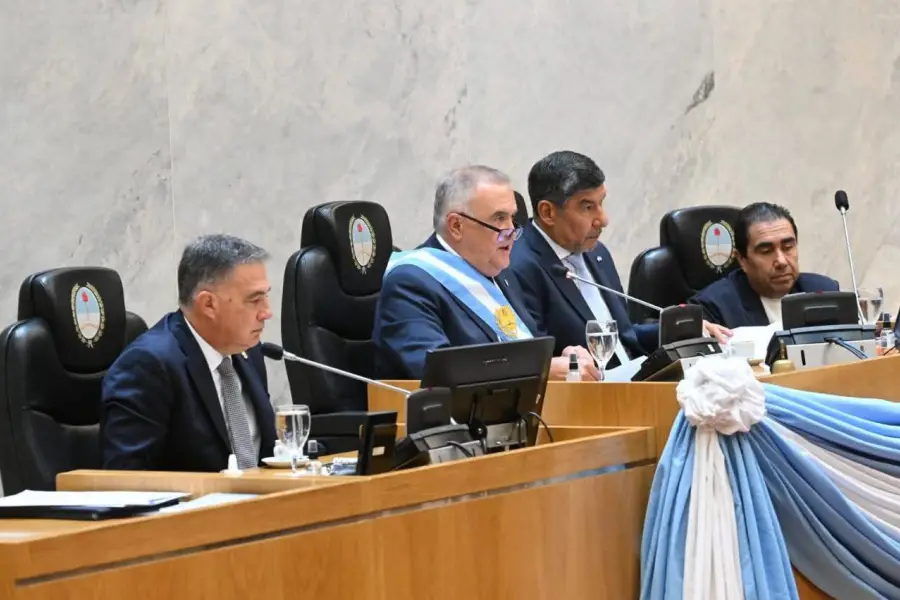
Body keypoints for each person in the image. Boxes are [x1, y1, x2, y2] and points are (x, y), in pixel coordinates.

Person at [373, 165, 599, 381]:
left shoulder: (500, 272)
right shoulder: (410, 283)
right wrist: (543, 369)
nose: (512, 232)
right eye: (499, 219)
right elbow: (438, 372)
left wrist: (565, 358)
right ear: (456, 226)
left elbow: (528, 346)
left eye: (513, 218)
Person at [508, 150, 731, 367]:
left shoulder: (596, 252)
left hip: (635, 378)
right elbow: (537, 366)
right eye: (588, 207)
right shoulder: (517, 268)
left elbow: (624, 336)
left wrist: (681, 331)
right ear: (548, 213)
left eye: (601, 203)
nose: (603, 220)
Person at [101, 234, 277, 472]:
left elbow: (266, 455)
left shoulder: (248, 352)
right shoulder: (148, 365)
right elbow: (127, 477)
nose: (267, 312)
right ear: (208, 304)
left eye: (266, 296)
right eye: (254, 300)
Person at [690, 202, 839, 329]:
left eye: (788, 247)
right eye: (767, 251)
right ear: (742, 259)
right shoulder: (714, 308)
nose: (781, 261)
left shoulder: (825, 292)